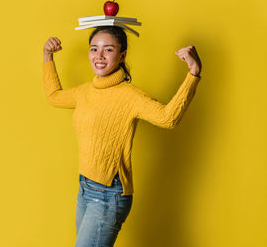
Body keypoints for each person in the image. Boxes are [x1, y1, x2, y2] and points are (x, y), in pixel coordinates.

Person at [42, 25, 202, 247]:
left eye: (108, 50)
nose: (99, 56)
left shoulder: (130, 96)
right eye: (94, 49)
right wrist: (47, 56)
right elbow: (54, 96)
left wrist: (193, 73)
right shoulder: (84, 92)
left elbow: (168, 118)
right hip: (85, 189)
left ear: (122, 55)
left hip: (109, 195)